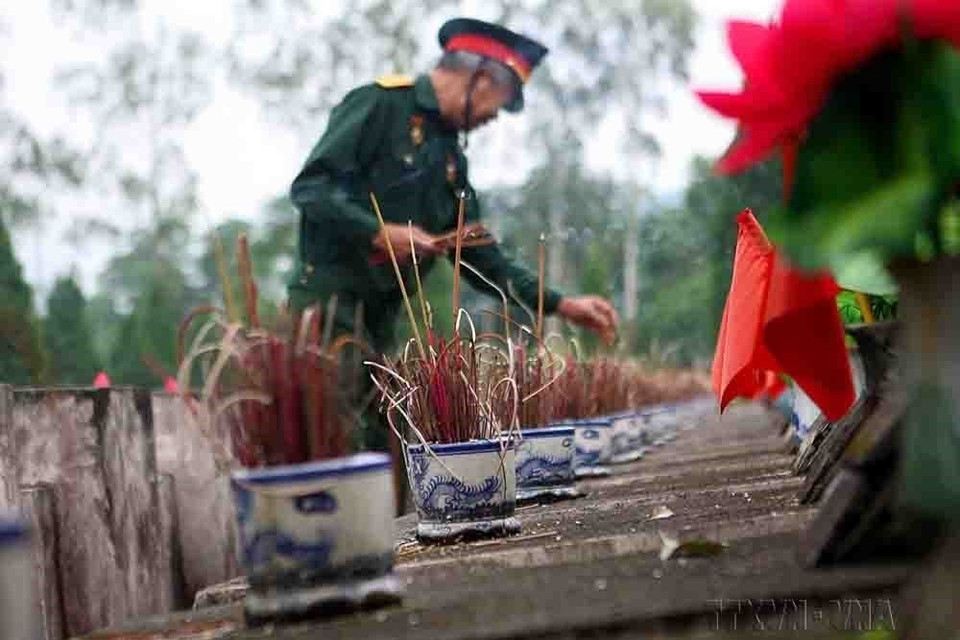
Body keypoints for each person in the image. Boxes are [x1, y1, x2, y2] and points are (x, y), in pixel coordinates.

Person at [287, 17, 619, 355]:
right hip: (326, 313)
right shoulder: (381, 104)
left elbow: (478, 253)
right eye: (501, 103)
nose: (495, 117)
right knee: (333, 408)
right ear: (482, 79)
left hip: (381, 321)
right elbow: (311, 188)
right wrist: (378, 233)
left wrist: (561, 305)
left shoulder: (450, 156)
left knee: (380, 409)